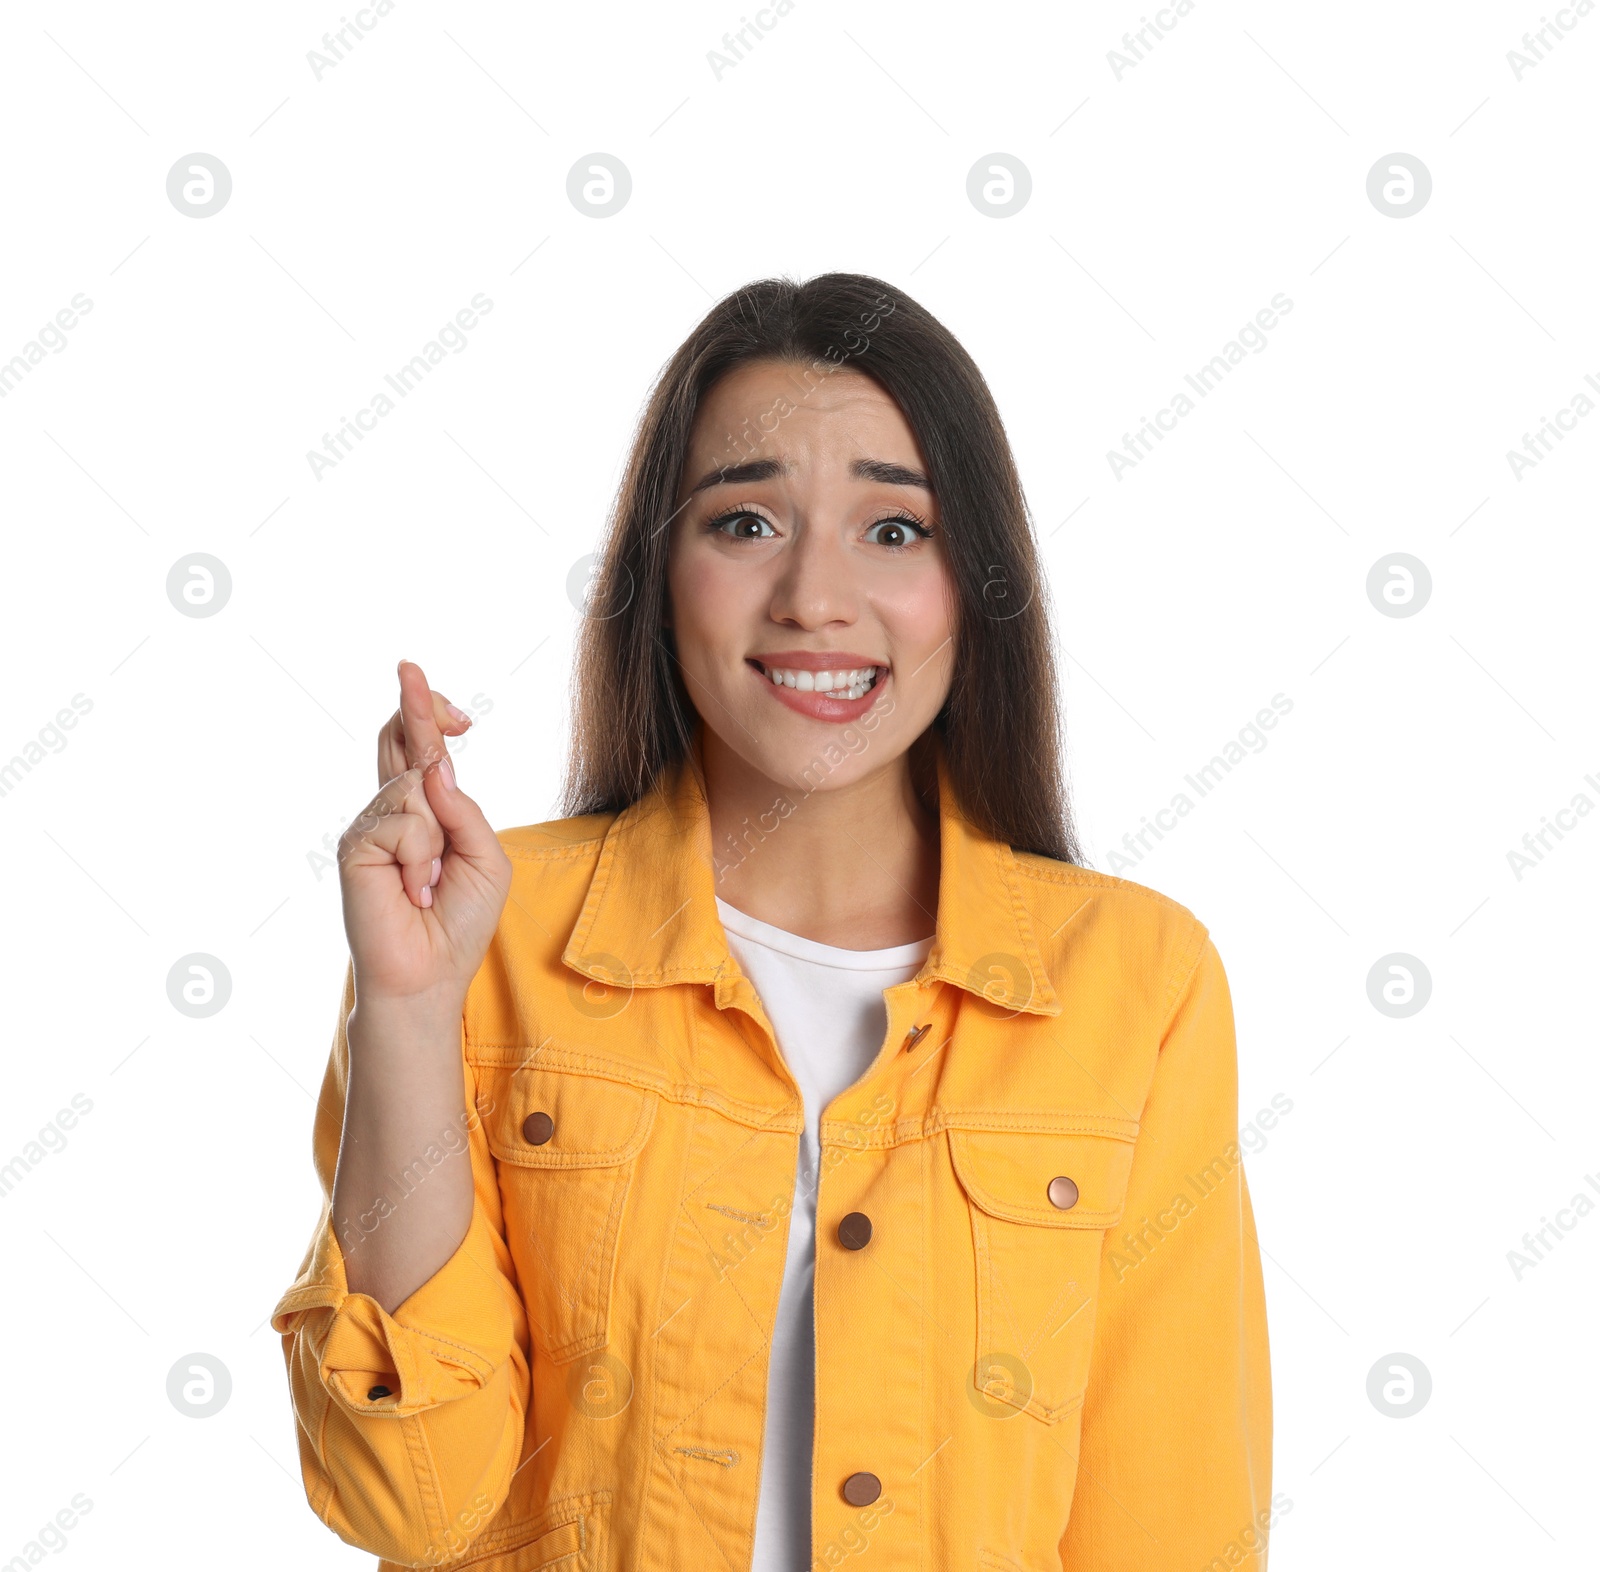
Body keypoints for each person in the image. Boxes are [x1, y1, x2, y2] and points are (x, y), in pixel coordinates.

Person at [270, 272, 1273, 1572]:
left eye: (894, 531)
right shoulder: (488, 936)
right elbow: (406, 1498)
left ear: (976, 585)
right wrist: (406, 1008)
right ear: (660, 575)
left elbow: (1172, 1526)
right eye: (746, 522)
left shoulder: (1139, 982)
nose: (815, 594)